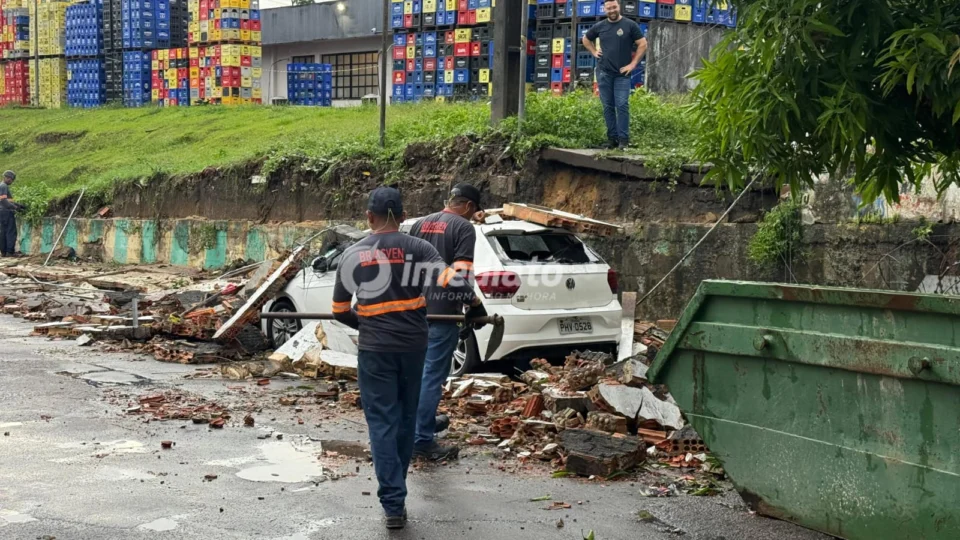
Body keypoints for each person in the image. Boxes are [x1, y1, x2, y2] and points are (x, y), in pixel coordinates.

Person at [331, 186, 486, 530]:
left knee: (382, 423)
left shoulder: (353, 254)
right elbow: (455, 284)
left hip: (375, 351)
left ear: (369, 217)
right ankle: (396, 494)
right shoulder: (420, 249)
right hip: (414, 347)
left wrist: (366, 321)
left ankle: (393, 503)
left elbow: (339, 311)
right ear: (402, 217)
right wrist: (476, 306)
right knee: (404, 418)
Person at [408, 183, 483, 461]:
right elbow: (460, 273)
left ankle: (419, 425)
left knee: (416, 373)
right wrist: (473, 304)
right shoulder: (464, 228)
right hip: (443, 312)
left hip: (416, 310)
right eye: (474, 211)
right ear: (469, 207)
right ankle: (421, 439)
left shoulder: (420, 224)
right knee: (431, 376)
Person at [582, 0, 647, 150]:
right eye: (608, 8)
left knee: (622, 105)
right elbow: (585, 39)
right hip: (604, 73)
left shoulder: (630, 25)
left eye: (614, 7)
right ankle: (612, 140)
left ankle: (623, 140)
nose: (611, 10)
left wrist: (633, 64)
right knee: (608, 106)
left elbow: (643, 44)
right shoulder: (600, 26)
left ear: (619, 7)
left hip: (622, 74)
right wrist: (593, 52)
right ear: (604, 9)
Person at [0, 170, 23, 257]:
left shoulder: (1, 186)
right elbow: (4, 201)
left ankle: (4, 252)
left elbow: (7, 200)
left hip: (2, 212)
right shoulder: (4, 186)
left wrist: (18, 205)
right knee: (11, 232)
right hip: (6, 212)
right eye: (11, 180)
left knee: (3, 232)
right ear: (7, 178)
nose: (11, 182)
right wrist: (15, 208)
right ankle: (10, 252)